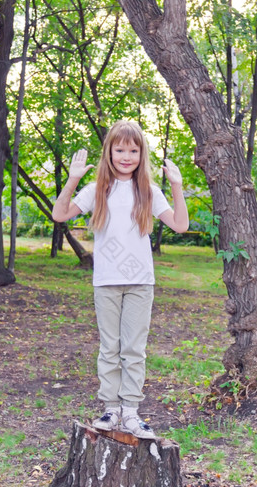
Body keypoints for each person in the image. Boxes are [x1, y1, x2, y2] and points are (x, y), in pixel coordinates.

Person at [52, 120, 189, 439]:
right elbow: (60, 215)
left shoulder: (149, 191)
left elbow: (180, 225)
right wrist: (72, 180)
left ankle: (130, 411)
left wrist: (177, 186)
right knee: (109, 347)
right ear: (109, 152)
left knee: (134, 349)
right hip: (106, 282)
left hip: (141, 282)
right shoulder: (98, 189)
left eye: (133, 150)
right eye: (119, 149)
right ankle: (111, 408)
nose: (126, 156)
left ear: (141, 154)